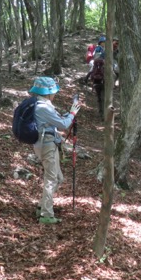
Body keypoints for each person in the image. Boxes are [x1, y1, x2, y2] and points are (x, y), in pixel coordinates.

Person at [28, 76, 81, 224]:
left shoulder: (42, 104)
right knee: (51, 179)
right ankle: (46, 215)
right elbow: (63, 125)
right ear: (48, 92)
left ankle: (41, 206)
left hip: (48, 143)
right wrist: (72, 113)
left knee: (58, 178)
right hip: (46, 145)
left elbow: (56, 122)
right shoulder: (43, 107)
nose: (55, 94)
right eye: (54, 91)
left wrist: (70, 114)